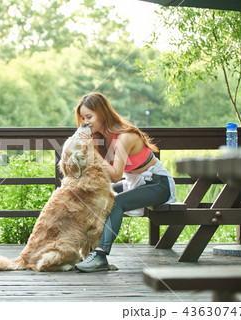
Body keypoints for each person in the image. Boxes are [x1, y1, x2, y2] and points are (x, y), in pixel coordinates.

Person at [73, 92, 176, 273]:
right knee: (95, 196)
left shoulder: (124, 137)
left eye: (89, 116)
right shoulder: (101, 138)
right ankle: (85, 249)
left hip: (157, 184)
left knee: (116, 202)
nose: (86, 122)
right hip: (133, 182)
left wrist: (91, 149)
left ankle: (100, 256)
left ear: (102, 113)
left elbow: (114, 175)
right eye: (83, 118)